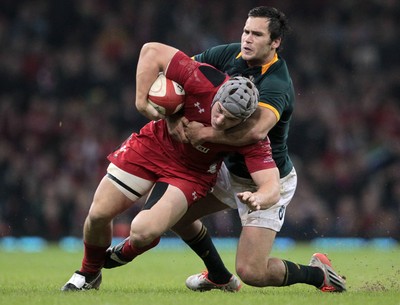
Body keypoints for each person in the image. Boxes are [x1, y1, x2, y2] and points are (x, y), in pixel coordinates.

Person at [61, 41, 281, 291]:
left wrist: (260, 198)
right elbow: (150, 50)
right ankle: (89, 273)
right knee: (99, 213)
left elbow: (271, 184)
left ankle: (126, 252)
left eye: (230, 120)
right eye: (219, 111)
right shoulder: (204, 78)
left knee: (142, 231)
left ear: (243, 119)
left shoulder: (252, 133)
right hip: (151, 146)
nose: (220, 120)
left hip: (190, 174)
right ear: (218, 95)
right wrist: (143, 103)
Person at [167, 6, 346, 292]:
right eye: (246, 31)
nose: (247, 39)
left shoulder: (277, 82)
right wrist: (173, 114)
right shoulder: (228, 54)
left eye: (257, 34)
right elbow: (180, 74)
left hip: (266, 179)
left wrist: (203, 133)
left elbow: (254, 132)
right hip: (228, 171)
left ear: (275, 42)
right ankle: (217, 275)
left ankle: (318, 274)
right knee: (175, 214)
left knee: (252, 272)